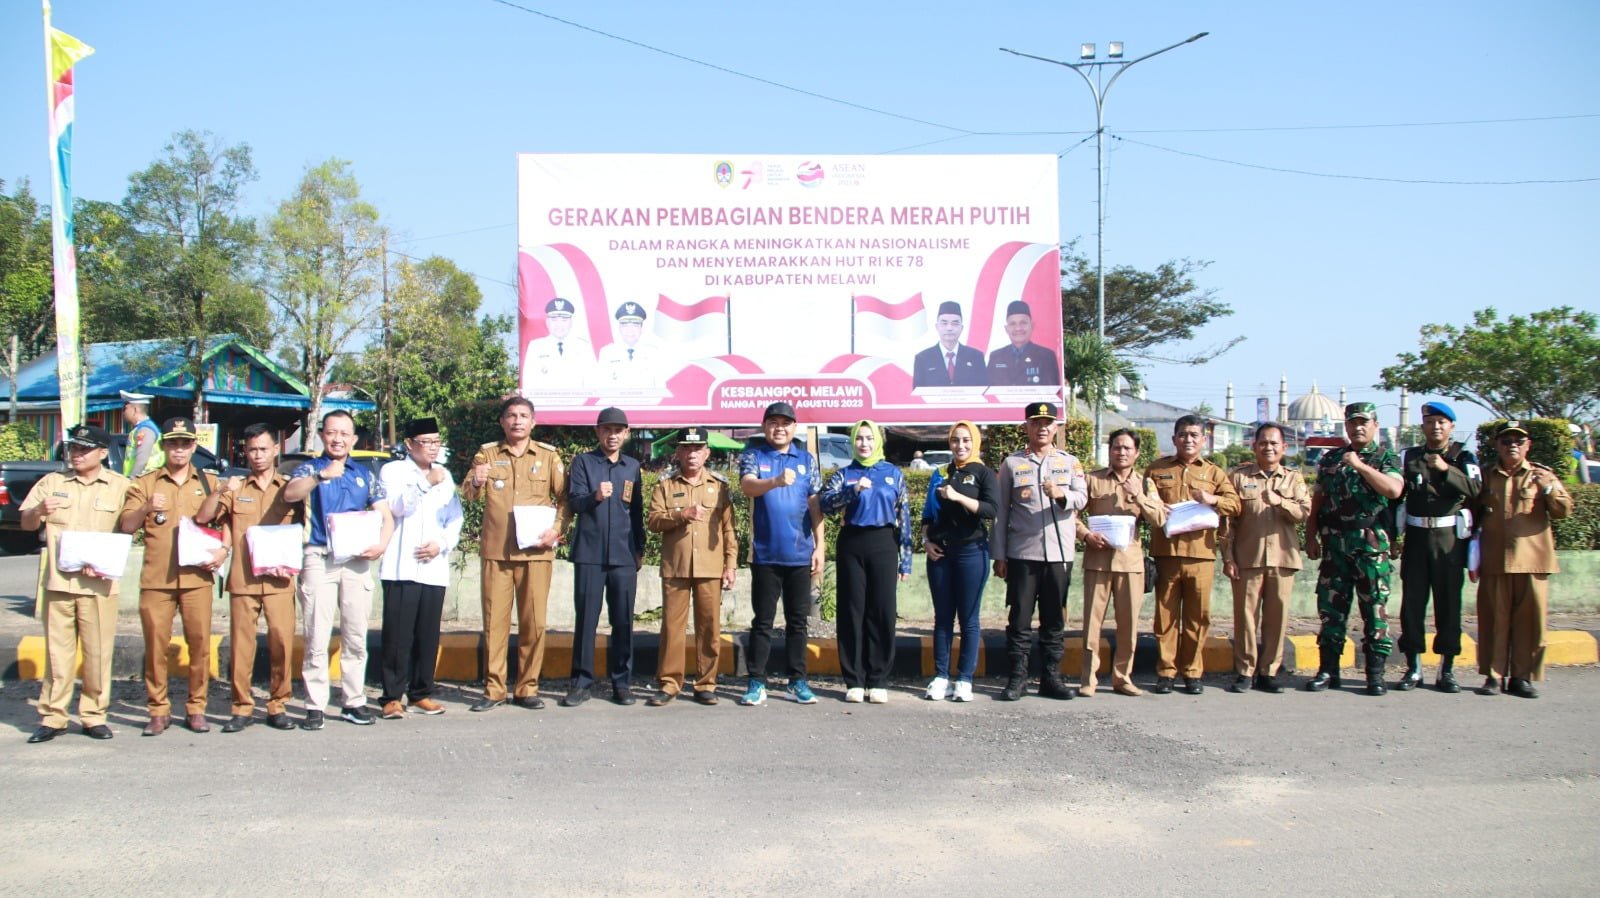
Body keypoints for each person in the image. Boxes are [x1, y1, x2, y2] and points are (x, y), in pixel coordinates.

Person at [282, 410, 395, 729]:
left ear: (354, 439)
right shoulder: (309, 467)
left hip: (357, 561)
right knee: (317, 633)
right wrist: (321, 476)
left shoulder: (365, 473)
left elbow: (386, 516)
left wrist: (381, 545)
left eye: (345, 433)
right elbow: (290, 494)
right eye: (332, 432)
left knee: (356, 634)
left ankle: (353, 700)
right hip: (320, 558)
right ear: (322, 435)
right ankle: (315, 704)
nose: (338, 439)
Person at [120, 416, 230, 736]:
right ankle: (158, 709)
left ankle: (196, 708)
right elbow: (126, 526)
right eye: (173, 443)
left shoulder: (209, 482)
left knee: (199, 645)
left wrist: (224, 552)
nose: (179, 449)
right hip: (158, 578)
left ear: (194, 446)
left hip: (197, 578)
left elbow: (227, 523)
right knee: (156, 646)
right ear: (163, 445)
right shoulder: (146, 483)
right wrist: (144, 509)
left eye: (185, 443)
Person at [20, 424, 130, 743]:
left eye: (85, 449)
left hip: (99, 584)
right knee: (58, 654)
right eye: (74, 449)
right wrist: (39, 511)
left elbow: (131, 525)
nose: (77, 455)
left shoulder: (119, 486)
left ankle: (93, 714)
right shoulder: (53, 482)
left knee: (97, 653)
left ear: (103, 453)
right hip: (59, 583)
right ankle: (54, 716)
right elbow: (26, 522)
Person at [461, 397, 568, 712]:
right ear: (502, 422)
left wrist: (556, 530)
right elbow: (468, 492)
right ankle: (494, 689)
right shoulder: (488, 454)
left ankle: (527, 687)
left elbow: (565, 499)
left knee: (533, 622)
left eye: (524, 416)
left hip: (536, 553)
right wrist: (476, 481)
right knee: (495, 622)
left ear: (533, 422)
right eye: (511, 416)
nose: (517, 421)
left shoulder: (549, 457)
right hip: (498, 553)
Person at [195, 423, 303, 733]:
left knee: (282, 641)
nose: (257, 455)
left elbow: (306, 527)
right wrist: (219, 491)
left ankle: (278, 704)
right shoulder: (236, 488)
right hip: (243, 579)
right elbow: (205, 518)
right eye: (252, 449)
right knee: (242, 646)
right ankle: (241, 707)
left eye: (263, 449)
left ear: (275, 451)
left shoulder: (288, 488)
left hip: (280, 580)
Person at [1304, 402, 1404, 696]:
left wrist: (1359, 465)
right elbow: (1318, 500)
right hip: (1335, 542)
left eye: (1364, 422)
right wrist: (1311, 535)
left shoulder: (1386, 457)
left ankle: (1375, 673)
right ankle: (1328, 670)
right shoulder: (1331, 458)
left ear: (1375, 425)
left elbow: (1394, 490)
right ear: (1345, 426)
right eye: (1352, 422)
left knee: (1374, 607)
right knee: (1331, 608)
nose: (1358, 427)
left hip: (1370, 542)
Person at [992, 402, 1087, 700]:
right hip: (1023, 553)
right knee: (1020, 618)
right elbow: (1000, 513)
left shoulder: (1069, 462)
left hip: (1059, 553)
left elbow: (1083, 497)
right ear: (1027, 427)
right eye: (1036, 422)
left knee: (1053, 619)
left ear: (1055, 428)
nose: (1042, 427)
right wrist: (999, 554)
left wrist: (1062, 495)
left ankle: (1051, 677)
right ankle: (1018, 678)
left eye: (1048, 422)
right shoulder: (1011, 463)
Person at [1474, 421, 1573, 698]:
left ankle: (1521, 676)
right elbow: (1474, 513)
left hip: (1532, 561)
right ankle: (1493, 676)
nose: (1512, 446)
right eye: (1506, 441)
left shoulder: (1541, 476)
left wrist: (1549, 489)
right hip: (1495, 560)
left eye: (1518, 441)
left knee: (1530, 623)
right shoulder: (1487, 476)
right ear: (1497, 445)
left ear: (1528, 445)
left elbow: (1565, 510)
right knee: (1493, 619)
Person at [737, 401, 825, 706]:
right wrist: (774, 481)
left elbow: (815, 504)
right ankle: (755, 682)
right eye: (773, 422)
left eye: (785, 423)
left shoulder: (806, 459)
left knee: (797, 622)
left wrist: (820, 547)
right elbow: (747, 487)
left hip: (800, 554)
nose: (779, 428)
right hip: (764, 554)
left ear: (794, 428)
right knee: (762, 621)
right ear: (764, 427)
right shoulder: (753, 455)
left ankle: (797, 681)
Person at [1146, 415, 1240, 695]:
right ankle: (1166, 672)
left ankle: (1192, 672)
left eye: (1194, 435)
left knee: (1198, 618)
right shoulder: (1156, 469)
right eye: (1183, 435)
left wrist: (1212, 499)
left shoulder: (1213, 473)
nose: (1188, 440)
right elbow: (1144, 506)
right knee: (1165, 618)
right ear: (1174, 439)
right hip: (1167, 555)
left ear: (1203, 440)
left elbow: (1235, 505)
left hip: (1201, 555)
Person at [376, 417, 463, 719]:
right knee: (398, 636)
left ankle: (421, 692)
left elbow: (455, 517)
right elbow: (398, 507)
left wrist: (442, 543)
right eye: (425, 442)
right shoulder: (394, 471)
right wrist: (426, 483)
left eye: (436, 442)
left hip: (434, 566)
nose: (432, 448)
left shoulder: (446, 475)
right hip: (402, 564)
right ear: (410, 444)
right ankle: (391, 696)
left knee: (428, 634)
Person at [819, 420, 912, 703]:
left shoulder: (892, 473)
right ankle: (854, 680)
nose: (864, 443)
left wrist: (905, 560)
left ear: (878, 441)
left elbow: (904, 516)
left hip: (884, 543)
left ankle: (878, 679)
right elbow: (824, 504)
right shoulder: (844, 474)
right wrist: (852, 491)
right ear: (852, 442)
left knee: (882, 611)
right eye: (859, 438)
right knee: (852, 612)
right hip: (852, 543)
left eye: (869, 438)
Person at [645, 426, 737, 706]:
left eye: (697, 449)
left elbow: (728, 530)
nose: (692, 454)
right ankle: (670, 683)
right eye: (686, 448)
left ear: (707, 452)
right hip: (677, 567)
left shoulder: (719, 486)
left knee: (709, 627)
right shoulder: (666, 485)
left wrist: (730, 564)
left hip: (710, 567)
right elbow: (653, 521)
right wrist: (681, 514)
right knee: (672, 628)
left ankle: (706, 683)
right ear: (678, 452)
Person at [1394, 401, 1480, 693]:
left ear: (1452, 426)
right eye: (1431, 422)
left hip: (1449, 541)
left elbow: (1477, 491)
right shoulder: (1409, 457)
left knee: (1449, 606)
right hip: (1417, 538)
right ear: (1423, 427)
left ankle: (1447, 669)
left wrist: (1447, 470)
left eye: (1442, 422)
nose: (1437, 427)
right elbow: (1396, 495)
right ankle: (1413, 667)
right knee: (1412, 605)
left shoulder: (1463, 457)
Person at [564, 406, 647, 707]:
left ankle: (621, 683)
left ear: (626, 433)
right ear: (598, 432)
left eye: (618, 430)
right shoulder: (583, 462)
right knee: (586, 619)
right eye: (607, 429)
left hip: (624, 554)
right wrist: (595, 496)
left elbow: (636, 511)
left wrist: (640, 549)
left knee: (623, 620)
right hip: (590, 553)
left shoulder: (633, 466)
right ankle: (580, 682)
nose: (612, 435)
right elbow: (574, 502)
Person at [1219, 423, 1310, 694]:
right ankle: (1245, 671)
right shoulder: (1238, 478)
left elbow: (1304, 512)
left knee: (1277, 618)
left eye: (1274, 443)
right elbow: (1227, 523)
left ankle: (1269, 671)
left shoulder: (1294, 478)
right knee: (1245, 618)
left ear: (1284, 448)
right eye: (1263, 443)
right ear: (1254, 446)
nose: (1268, 448)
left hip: (1282, 559)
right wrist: (1227, 558)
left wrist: (1279, 501)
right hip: (1248, 558)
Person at [1076, 429, 1166, 697]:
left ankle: (1122, 677)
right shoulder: (1093, 480)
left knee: (1128, 624)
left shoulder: (1145, 483)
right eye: (1117, 447)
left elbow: (1159, 519)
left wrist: (1138, 495)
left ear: (1137, 453)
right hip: (1098, 561)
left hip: (1130, 563)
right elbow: (1072, 514)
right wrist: (1086, 535)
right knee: (1092, 623)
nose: (1122, 452)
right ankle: (1088, 679)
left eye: (1127, 448)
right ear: (1110, 450)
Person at [922, 421, 997, 702]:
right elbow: (928, 514)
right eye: (955, 440)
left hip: (972, 552)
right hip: (941, 552)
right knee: (942, 618)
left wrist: (958, 497)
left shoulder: (984, 473)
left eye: (966, 440)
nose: (961, 446)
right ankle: (941, 675)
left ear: (975, 442)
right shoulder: (939, 472)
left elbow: (990, 510)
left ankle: (964, 679)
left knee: (968, 619)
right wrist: (926, 541)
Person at [523, 297, 594, 389]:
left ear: (571, 323)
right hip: (543, 402)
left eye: (564, 320)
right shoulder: (536, 347)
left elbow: (592, 383)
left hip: (577, 402)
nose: (559, 325)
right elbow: (528, 383)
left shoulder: (583, 347)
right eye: (554, 320)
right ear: (547, 322)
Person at [912, 301, 988, 387]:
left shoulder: (976, 357)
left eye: (955, 323)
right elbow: (918, 397)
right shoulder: (923, 358)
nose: (949, 328)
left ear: (961, 328)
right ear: (937, 327)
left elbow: (984, 393)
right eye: (944, 323)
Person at [985, 300, 1060, 387]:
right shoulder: (996, 356)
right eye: (1012, 324)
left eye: (1023, 323)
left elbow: (1052, 392)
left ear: (1031, 326)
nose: (1018, 328)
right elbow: (988, 392)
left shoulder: (1046, 356)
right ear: (1006, 329)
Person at [597, 301, 659, 387]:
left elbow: (660, 390)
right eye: (625, 325)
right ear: (619, 328)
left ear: (642, 328)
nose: (630, 330)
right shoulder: (607, 353)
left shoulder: (653, 353)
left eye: (635, 325)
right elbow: (602, 388)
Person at [120, 389, 163, 478]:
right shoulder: (139, 428)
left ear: (135, 409)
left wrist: (132, 480)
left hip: (145, 481)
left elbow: (142, 459)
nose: (123, 412)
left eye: (125, 408)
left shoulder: (145, 429)